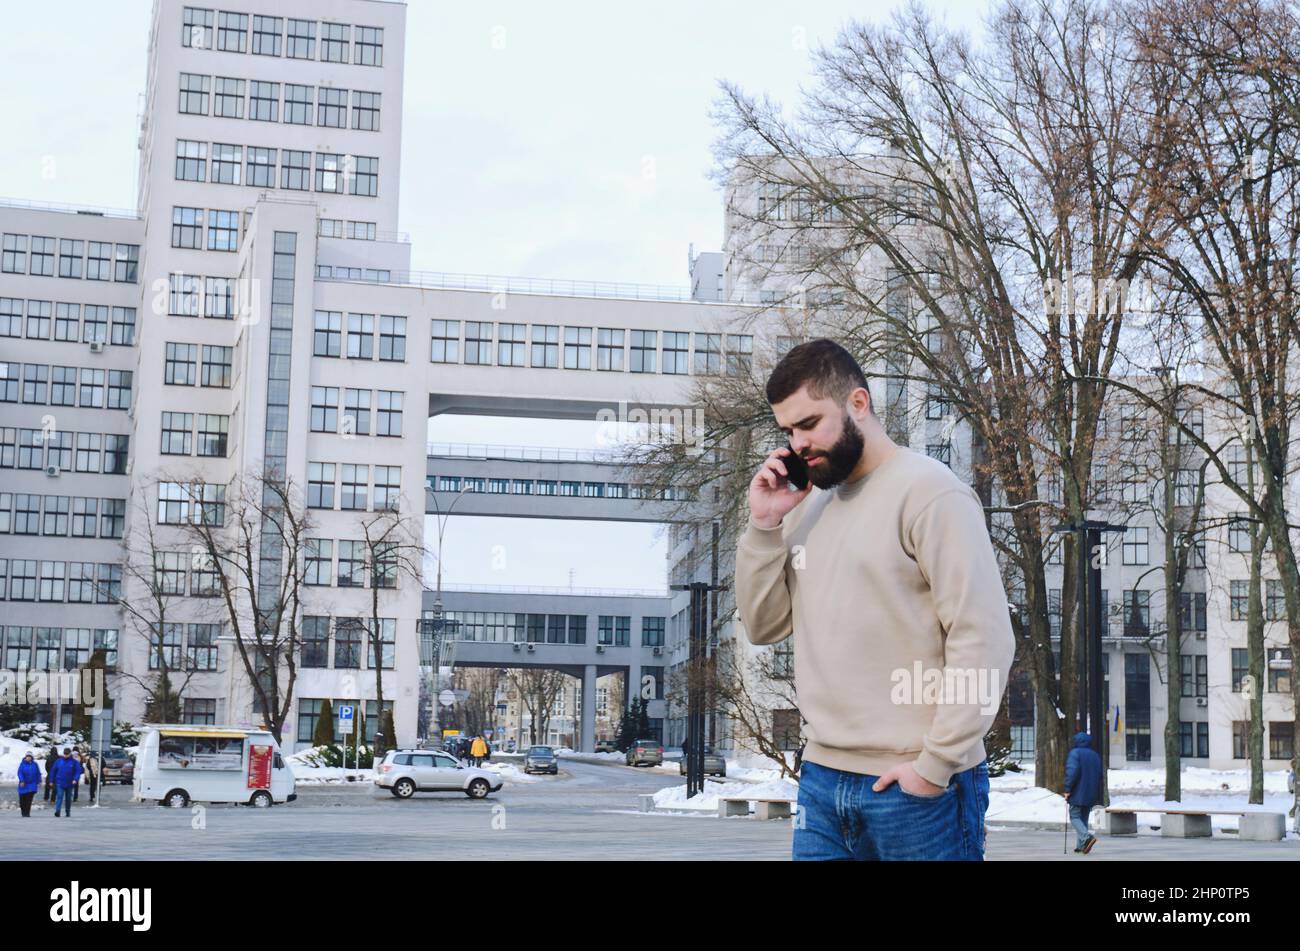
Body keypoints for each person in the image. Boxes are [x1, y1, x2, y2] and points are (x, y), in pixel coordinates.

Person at [734, 339, 1016, 861]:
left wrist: (935, 767)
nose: (797, 444)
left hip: (915, 788)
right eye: (788, 431)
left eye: (810, 423)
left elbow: (984, 639)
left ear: (858, 404)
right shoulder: (805, 507)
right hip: (821, 782)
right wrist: (765, 524)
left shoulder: (931, 493)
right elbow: (763, 625)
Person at [1064, 731, 1102, 854]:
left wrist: (1067, 789)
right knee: (1083, 818)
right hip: (1091, 792)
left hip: (1077, 792)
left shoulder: (1075, 753)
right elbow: (1100, 775)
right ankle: (1081, 845)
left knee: (1074, 816)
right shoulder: (1095, 755)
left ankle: (1086, 837)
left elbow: (1072, 772)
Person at [50, 748, 83, 817]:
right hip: (60, 782)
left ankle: (67, 811)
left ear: (70, 754)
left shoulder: (74, 762)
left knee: (68, 799)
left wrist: (75, 779)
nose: (65, 755)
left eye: (67, 754)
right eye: (65, 754)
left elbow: (78, 771)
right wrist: (51, 780)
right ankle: (57, 811)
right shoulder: (58, 761)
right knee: (59, 796)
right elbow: (53, 771)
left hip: (70, 783)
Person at [17, 752, 42, 817]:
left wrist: (39, 781)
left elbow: (38, 773)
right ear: (25, 757)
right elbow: (20, 773)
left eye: (29, 756)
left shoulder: (35, 764)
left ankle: (27, 813)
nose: (28, 758)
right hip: (24, 784)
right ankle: (23, 812)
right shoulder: (22, 764)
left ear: (31, 757)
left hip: (32, 785)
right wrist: (22, 781)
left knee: (29, 800)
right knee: (22, 800)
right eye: (27, 756)